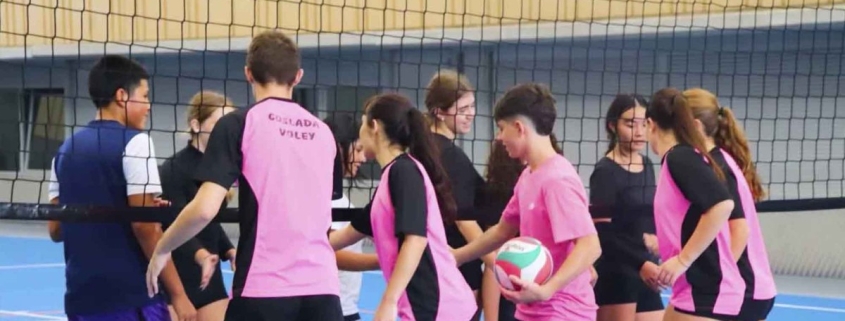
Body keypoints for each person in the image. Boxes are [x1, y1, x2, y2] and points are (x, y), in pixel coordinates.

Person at [146, 30, 343, 321]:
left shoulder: (239, 124)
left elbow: (204, 210)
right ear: (298, 76)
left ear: (248, 73)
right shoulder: (325, 133)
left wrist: (163, 248)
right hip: (324, 292)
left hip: (264, 291)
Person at [47, 55, 195, 321]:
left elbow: (56, 229)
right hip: (131, 297)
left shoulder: (64, 150)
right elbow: (145, 228)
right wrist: (179, 294)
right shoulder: (137, 143)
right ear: (121, 96)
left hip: (81, 299)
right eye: (145, 96)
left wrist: (116, 206)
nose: (148, 106)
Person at [454, 83, 602, 321]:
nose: (499, 137)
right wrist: (458, 256)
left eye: (501, 128)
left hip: (563, 312)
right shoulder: (529, 175)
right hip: (532, 309)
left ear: (519, 128)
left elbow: (590, 245)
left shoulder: (557, 179)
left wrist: (547, 290)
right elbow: (502, 231)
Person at [329, 93, 477, 321]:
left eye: (363, 123)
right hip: (428, 306)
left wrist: (388, 300)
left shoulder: (404, 171)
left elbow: (416, 240)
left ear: (374, 126)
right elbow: (340, 238)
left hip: (438, 307)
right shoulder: (389, 181)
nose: (360, 132)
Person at [645, 87, 744, 321]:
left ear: (650, 124)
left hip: (707, 291)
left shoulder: (680, 157)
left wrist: (683, 260)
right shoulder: (677, 159)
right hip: (691, 290)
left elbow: (722, 205)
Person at [684, 88, 777, 321]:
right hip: (751, 287)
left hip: (744, 288)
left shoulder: (716, 167)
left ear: (694, 126)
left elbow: (740, 230)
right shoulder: (715, 161)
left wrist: (718, 279)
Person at [158, 91, 238, 321]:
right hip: (179, 278)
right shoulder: (173, 169)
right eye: (218, 124)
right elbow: (175, 224)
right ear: (196, 125)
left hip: (211, 278)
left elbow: (209, 222)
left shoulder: (221, 169)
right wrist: (201, 255)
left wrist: (229, 250)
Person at [589, 94, 664, 321]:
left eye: (644, 124)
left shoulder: (648, 165)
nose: (639, 132)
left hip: (647, 270)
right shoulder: (605, 172)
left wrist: (657, 238)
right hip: (617, 272)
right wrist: (640, 263)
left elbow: (648, 215)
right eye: (631, 124)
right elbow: (602, 232)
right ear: (613, 126)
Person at [475, 137, 563, 321]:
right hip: (517, 292)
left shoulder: (553, 184)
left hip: (547, 295)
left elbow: (587, 245)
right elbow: (496, 259)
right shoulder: (505, 192)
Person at [424, 69, 487, 320]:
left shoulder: (423, 149)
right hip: (458, 269)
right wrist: (496, 260)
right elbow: (464, 219)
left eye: (472, 106)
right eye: (463, 108)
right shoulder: (451, 156)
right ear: (440, 112)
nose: (471, 113)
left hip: (431, 267)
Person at [324, 112, 368, 321]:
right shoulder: (322, 194)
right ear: (339, 148)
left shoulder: (339, 197)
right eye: (357, 150)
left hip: (344, 306)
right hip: (332, 307)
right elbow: (329, 253)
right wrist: (385, 261)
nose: (363, 158)